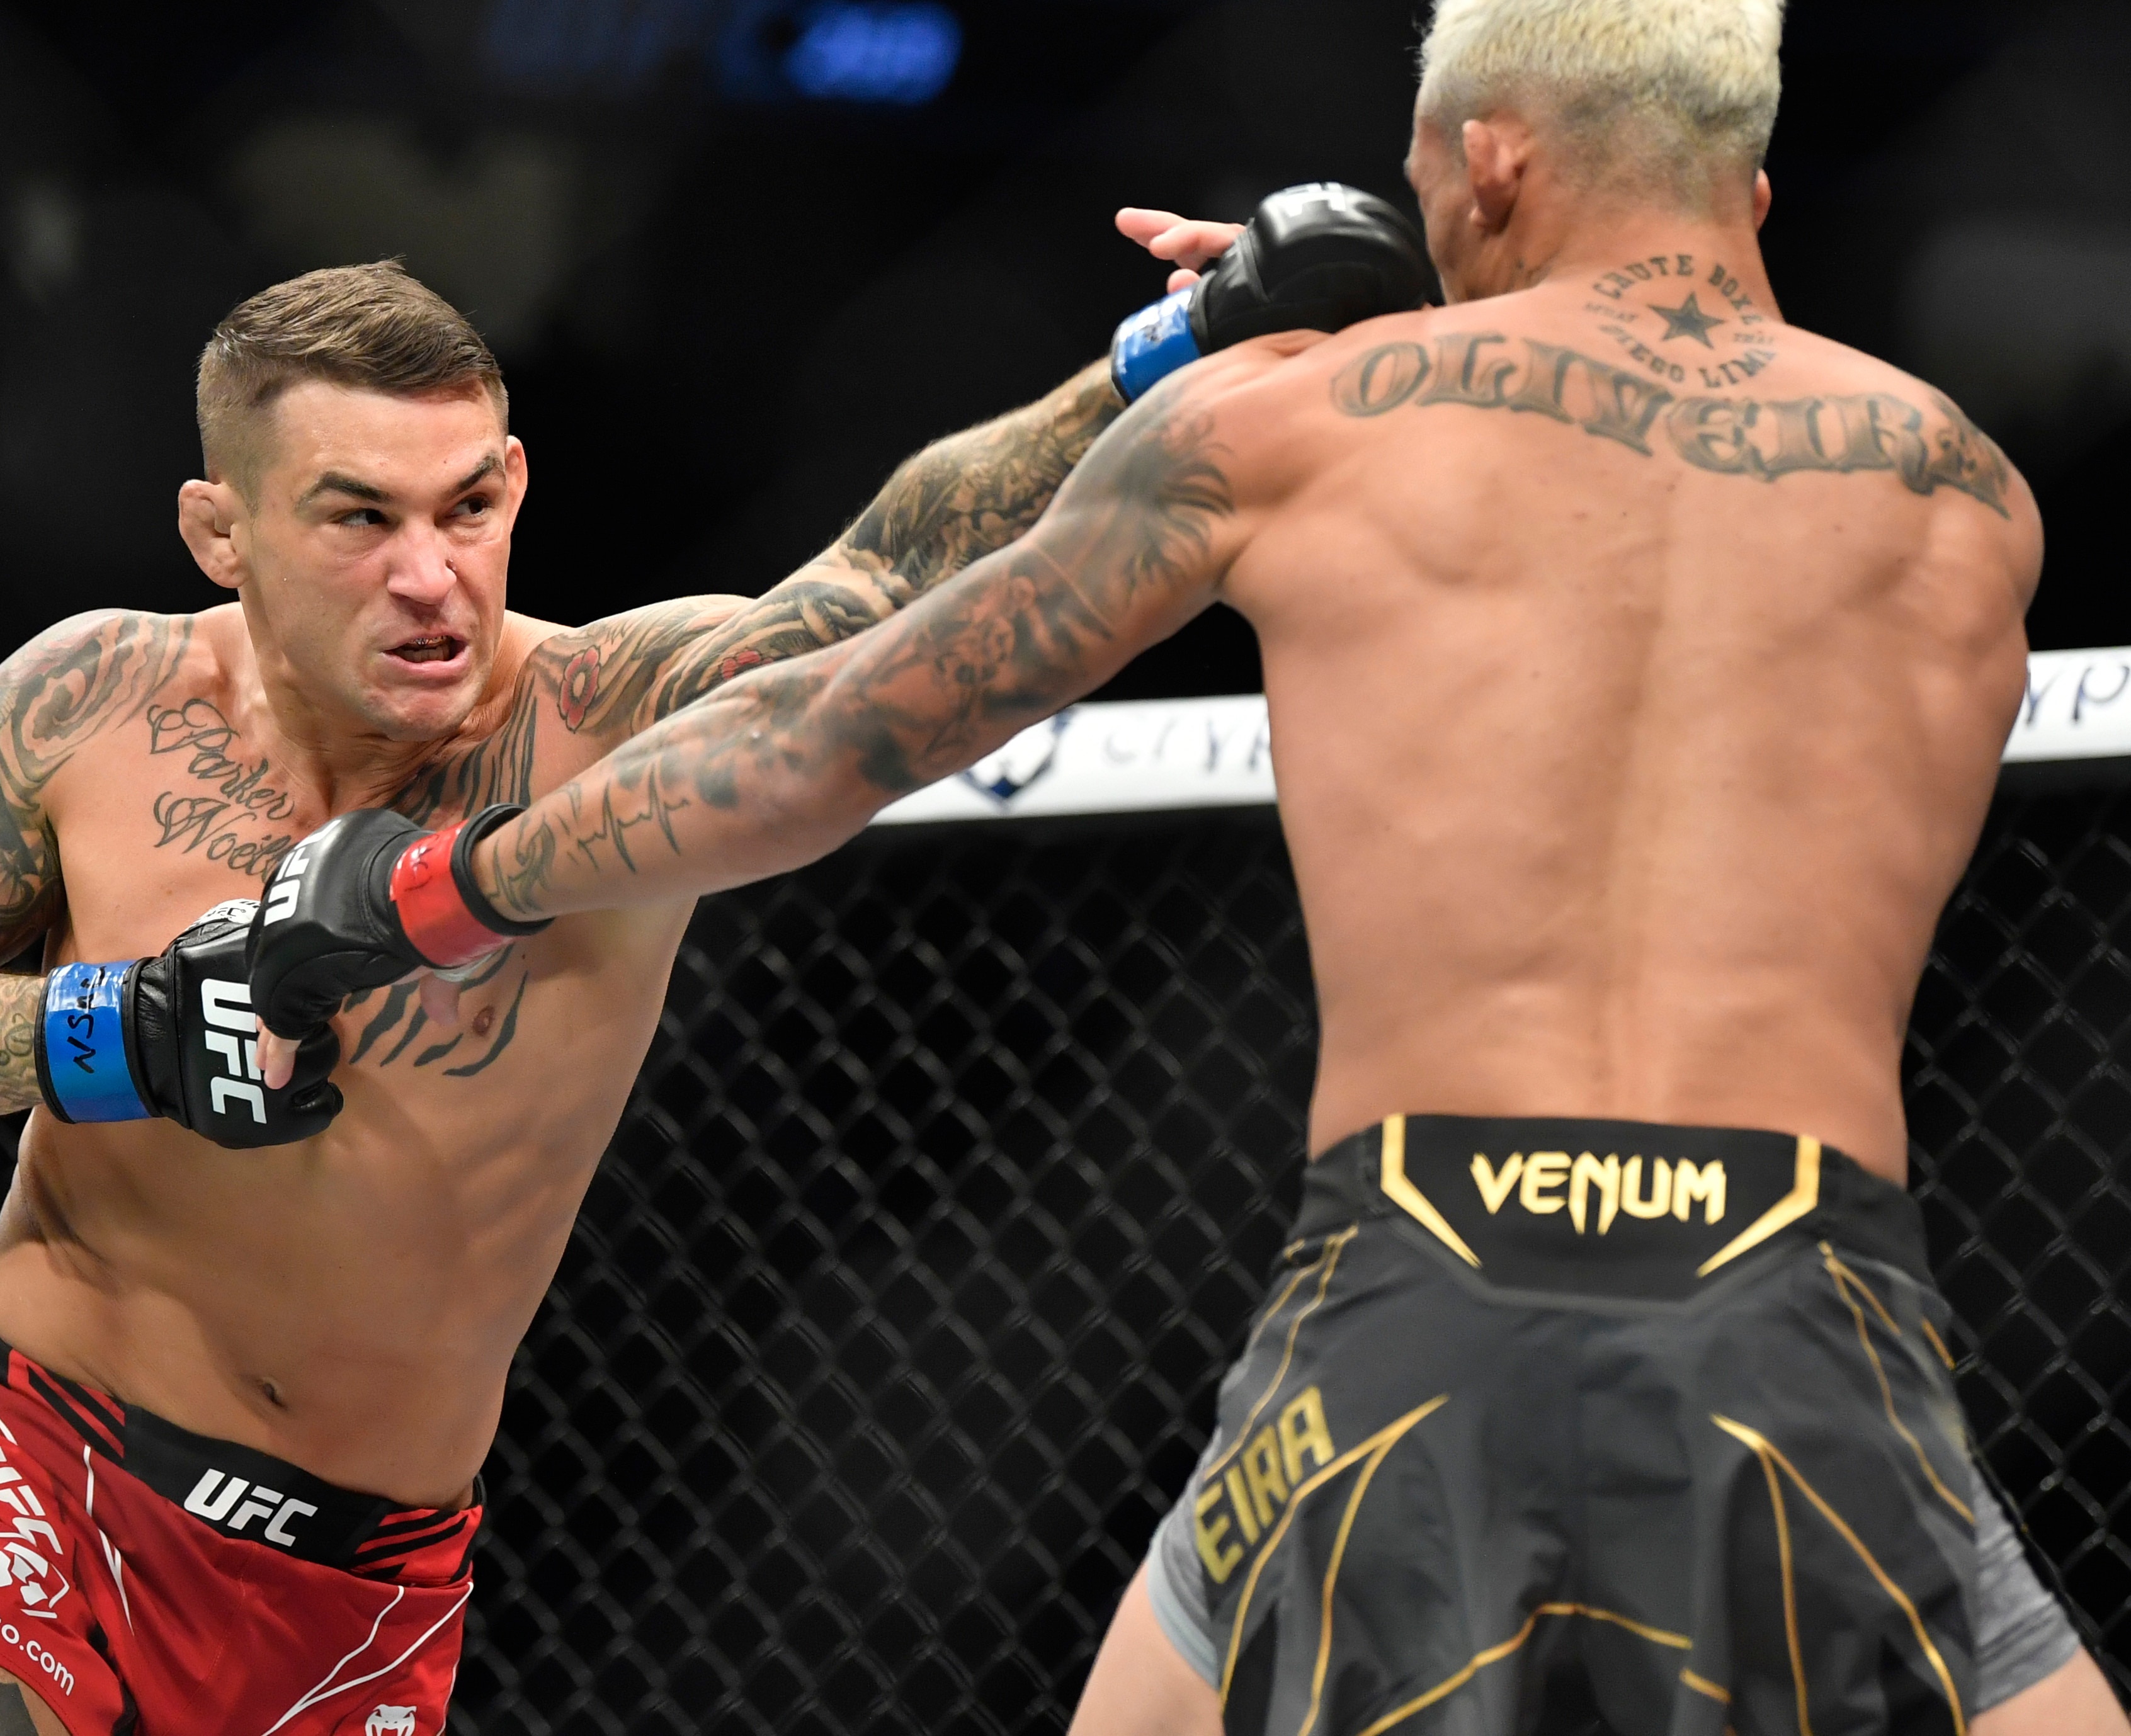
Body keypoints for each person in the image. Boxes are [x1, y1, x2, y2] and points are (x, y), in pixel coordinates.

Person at [251, 3, 2130, 1732]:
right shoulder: (1958, 491)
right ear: (1756, 183)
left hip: (1423, 1280)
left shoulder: (1296, 434)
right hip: (1801, 1295)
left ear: (1484, 161)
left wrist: (436, 885)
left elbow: (827, 737)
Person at [0, 256, 1152, 1736]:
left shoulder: (607, 717)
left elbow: (888, 584)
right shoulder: (95, 702)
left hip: (352, 1592)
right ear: (223, 529)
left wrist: (1157, 361)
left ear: (516, 483)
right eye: (357, 517)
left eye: (467, 507)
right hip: (26, 1460)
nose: (431, 575)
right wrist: (116, 1029)